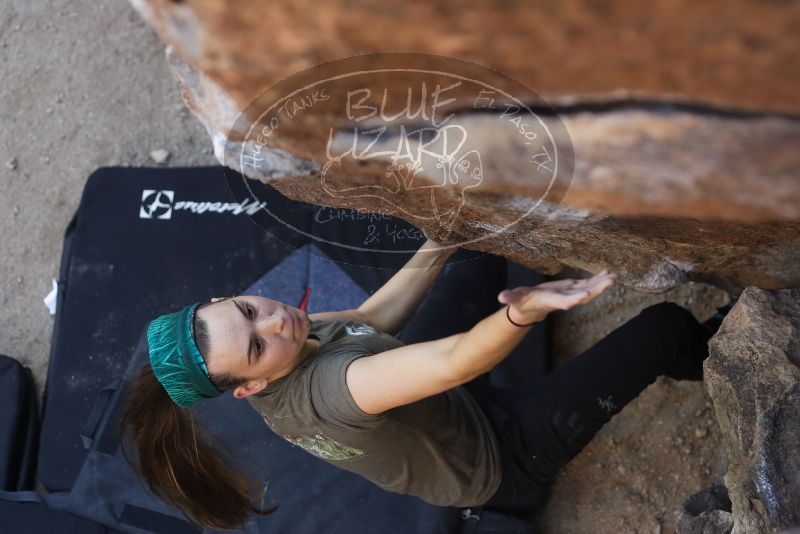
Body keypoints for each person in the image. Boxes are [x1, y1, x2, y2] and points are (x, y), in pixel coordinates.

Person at [121, 238, 715, 530]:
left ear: (229, 298)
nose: (274, 320)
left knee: (476, 255)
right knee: (663, 328)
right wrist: (523, 312)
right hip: (500, 456)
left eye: (248, 309)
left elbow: (371, 320)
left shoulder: (288, 339)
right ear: (247, 389)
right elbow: (456, 361)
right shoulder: (335, 389)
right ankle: (716, 353)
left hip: (437, 408)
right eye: (256, 345)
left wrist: (443, 235)